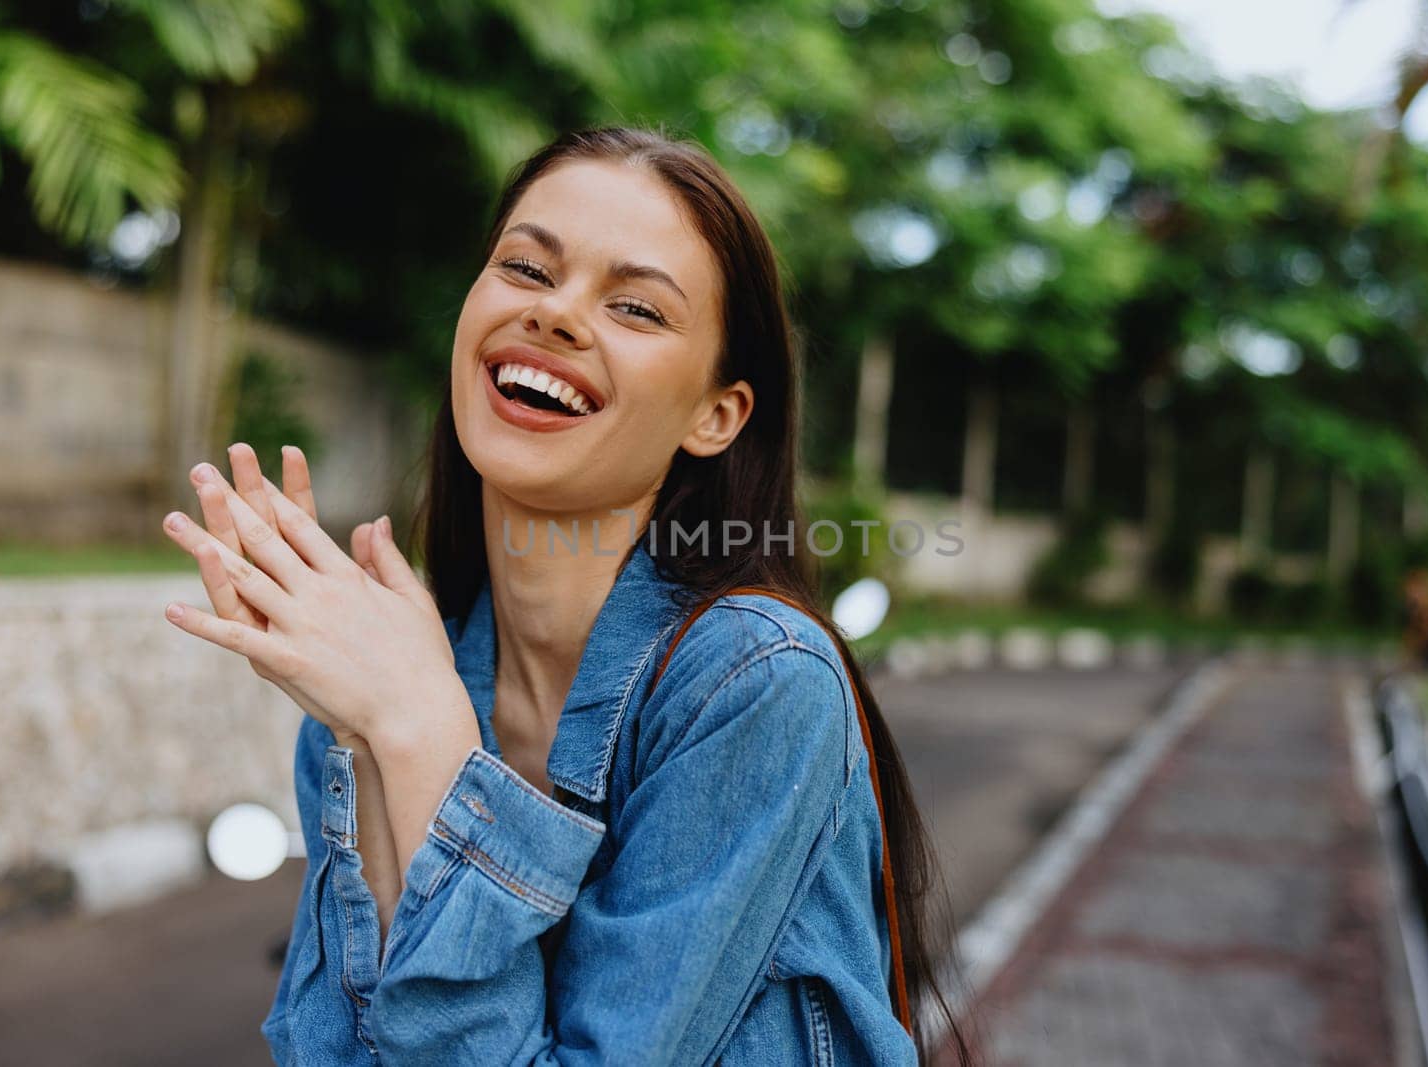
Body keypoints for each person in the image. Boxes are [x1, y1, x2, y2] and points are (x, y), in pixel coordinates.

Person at [159, 126, 971, 1064]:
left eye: (635, 307)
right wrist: (367, 737)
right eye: (527, 269)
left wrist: (423, 735)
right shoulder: (379, 684)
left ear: (717, 415)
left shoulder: (753, 682)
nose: (555, 315)